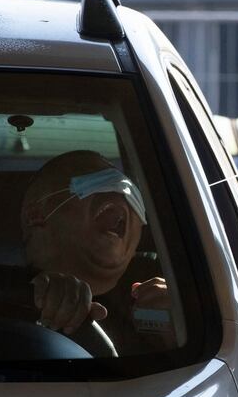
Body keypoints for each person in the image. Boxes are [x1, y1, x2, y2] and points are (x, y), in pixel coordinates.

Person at [20, 150, 172, 352]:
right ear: (37, 215)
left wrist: (178, 327)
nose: (121, 189)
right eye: (97, 179)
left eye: (131, 191)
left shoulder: (164, 282)